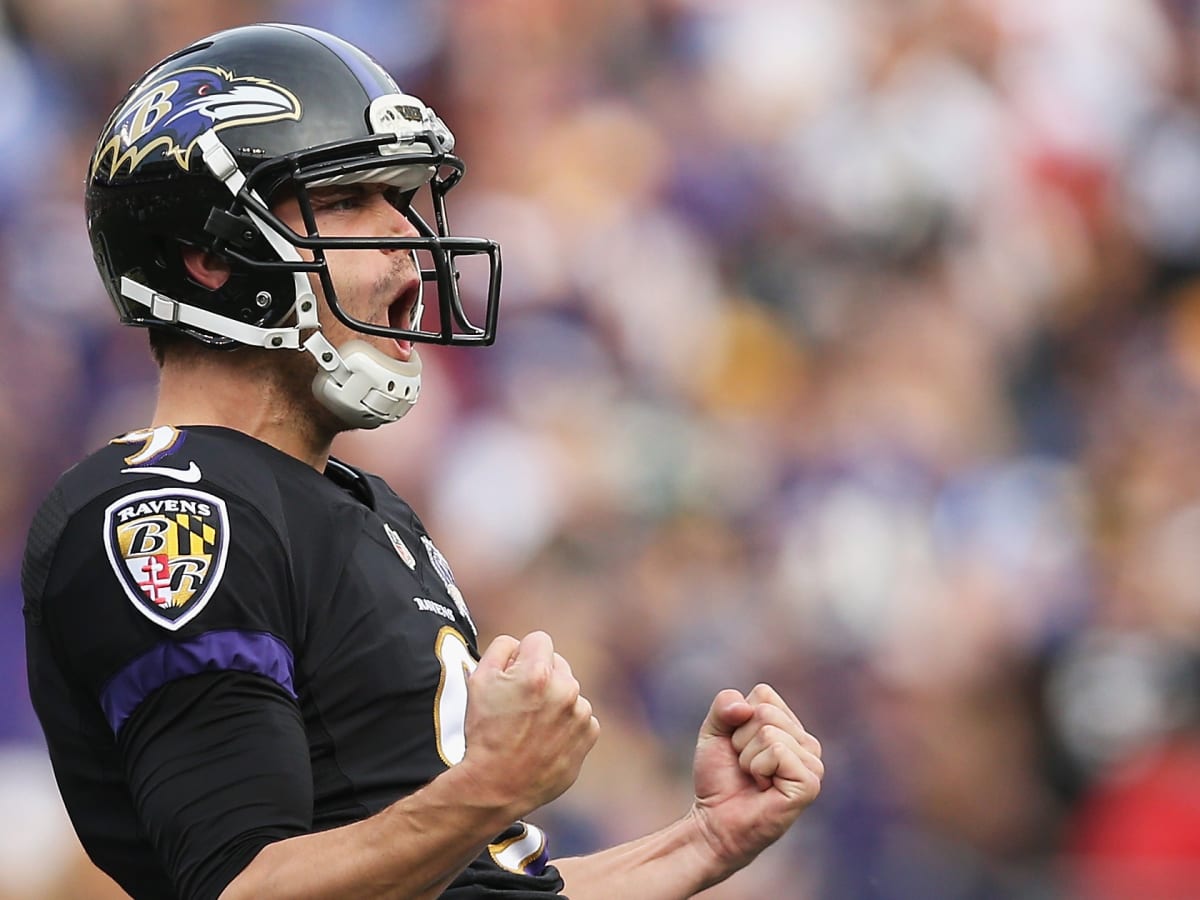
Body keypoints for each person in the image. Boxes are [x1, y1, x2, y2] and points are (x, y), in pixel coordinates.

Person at [22, 23, 823, 900]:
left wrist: (704, 841)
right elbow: (244, 890)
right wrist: (487, 788)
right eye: (352, 198)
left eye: (404, 198)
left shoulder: (367, 510)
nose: (405, 241)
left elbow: (479, 889)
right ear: (211, 259)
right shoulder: (169, 509)